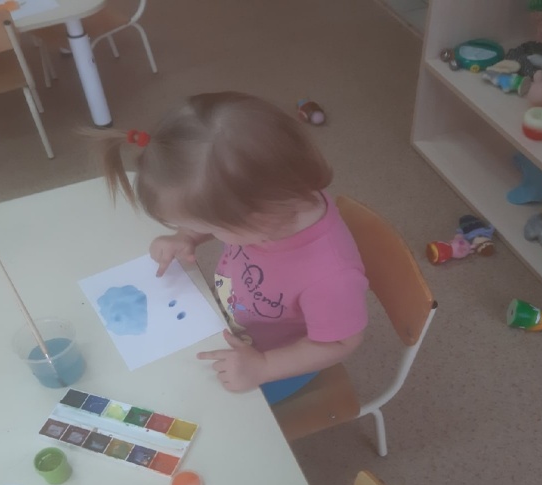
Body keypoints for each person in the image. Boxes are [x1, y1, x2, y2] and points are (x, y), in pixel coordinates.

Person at [100, 91, 368, 404]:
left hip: (277, 361)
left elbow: (341, 344)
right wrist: (185, 237)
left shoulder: (331, 279)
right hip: (234, 322)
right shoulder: (271, 204)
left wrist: (264, 367)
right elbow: (218, 217)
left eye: (208, 227)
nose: (204, 232)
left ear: (258, 218)